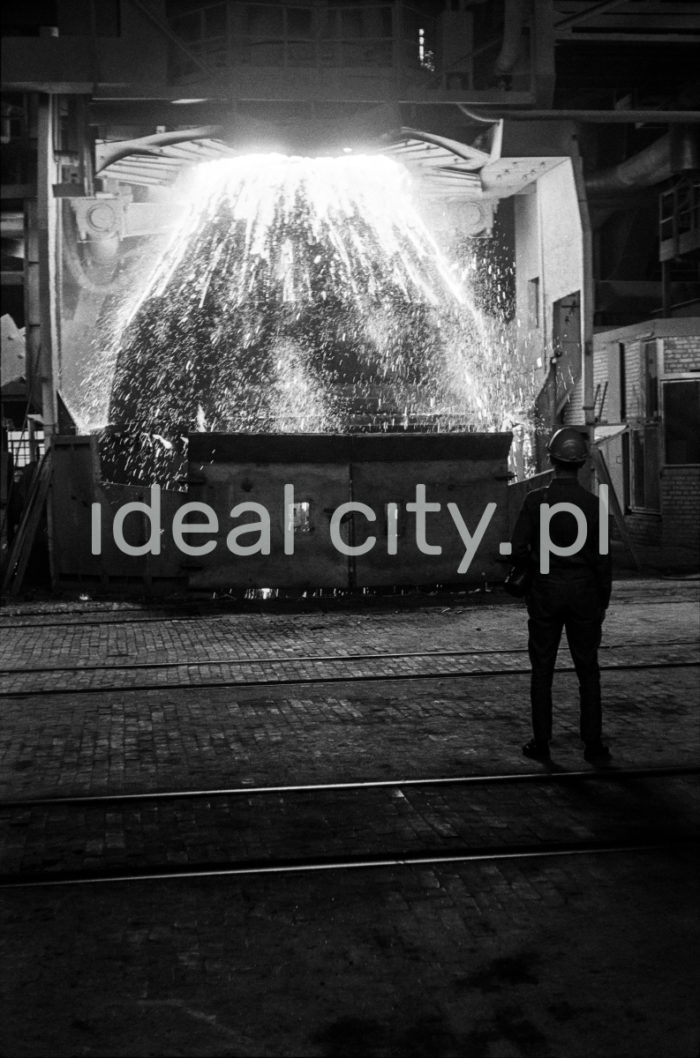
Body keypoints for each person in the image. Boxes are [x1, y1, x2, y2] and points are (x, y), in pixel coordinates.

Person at [510, 427, 613, 765]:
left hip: (545, 592)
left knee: (542, 669)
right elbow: (602, 560)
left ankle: (541, 742)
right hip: (584, 592)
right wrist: (601, 599)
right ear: (582, 463)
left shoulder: (535, 500)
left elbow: (517, 548)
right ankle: (593, 744)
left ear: (551, 459)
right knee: (588, 670)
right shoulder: (593, 504)